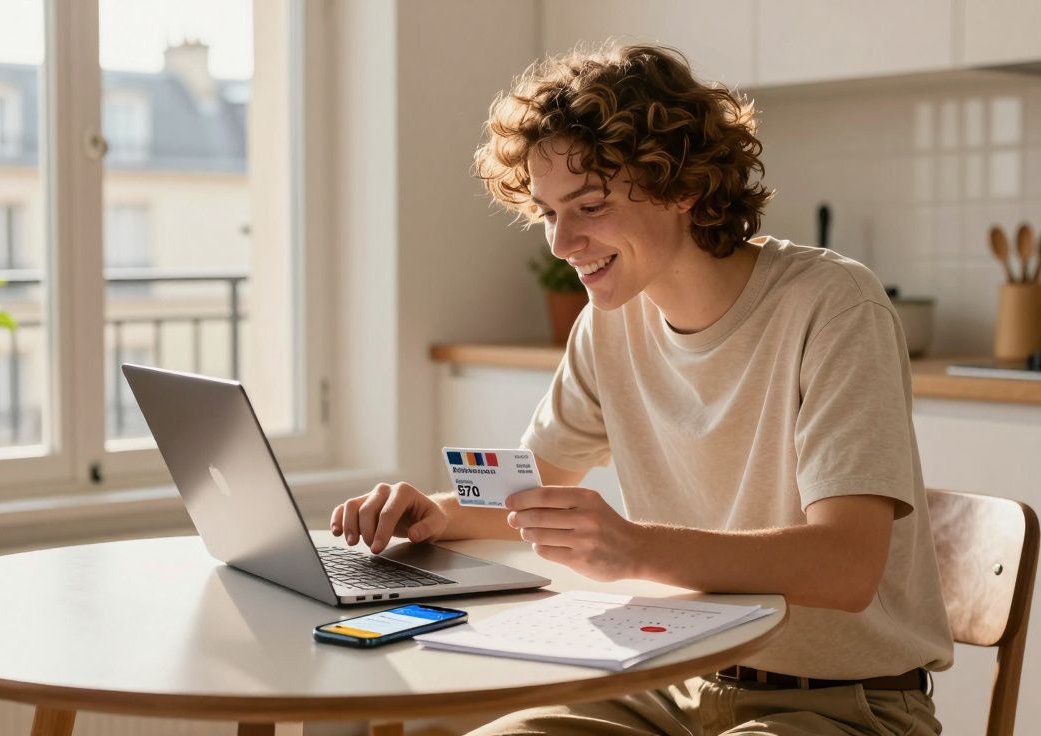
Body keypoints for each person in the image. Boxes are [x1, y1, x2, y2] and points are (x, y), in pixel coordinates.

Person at [330, 44, 953, 736]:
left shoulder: (833, 306)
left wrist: (633, 548)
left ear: (683, 185)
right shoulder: (611, 323)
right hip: (672, 680)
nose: (563, 243)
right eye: (546, 213)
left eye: (590, 205)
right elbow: (532, 495)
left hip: (843, 707)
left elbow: (846, 566)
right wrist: (435, 514)